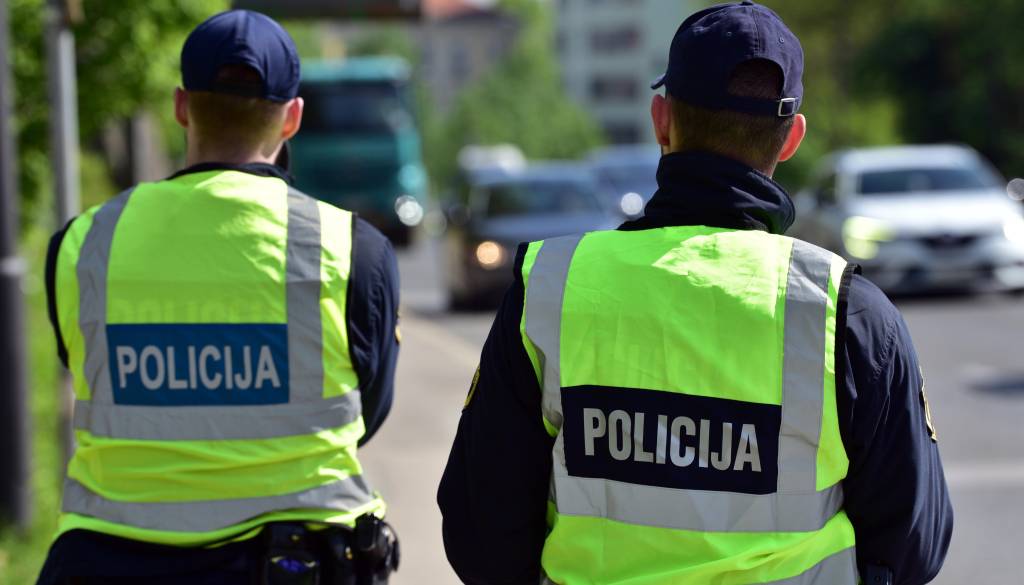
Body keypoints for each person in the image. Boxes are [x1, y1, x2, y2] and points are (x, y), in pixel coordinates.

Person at [437, 2, 953, 584]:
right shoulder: (845, 312)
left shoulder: (551, 287)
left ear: (661, 120)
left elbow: (481, 533)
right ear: (791, 138)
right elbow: (913, 546)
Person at [37, 10, 400, 585]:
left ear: (182, 107)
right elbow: (367, 410)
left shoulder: (83, 244)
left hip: (111, 562)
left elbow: (84, 371)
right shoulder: (352, 249)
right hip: (296, 562)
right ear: (292, 118)